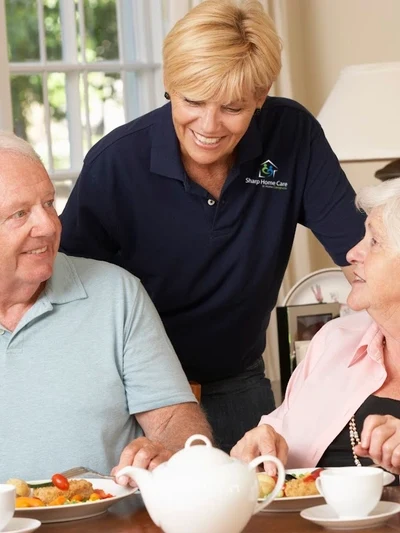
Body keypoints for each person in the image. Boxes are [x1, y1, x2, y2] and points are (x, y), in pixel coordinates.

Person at [59, 0, 365, 453]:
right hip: (137, 399)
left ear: (260, 98)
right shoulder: (115, 165)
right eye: (192, 101)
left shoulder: (293, 136)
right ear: (170, 84)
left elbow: (365, 258)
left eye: (233, 108)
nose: (208, 126)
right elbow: (68, 299)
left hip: (239, 383)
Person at [0, 131, 211, 483]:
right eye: (21, 213)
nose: (49, 226)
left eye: (50, 203)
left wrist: (171, 452)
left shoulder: (116, 293)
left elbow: (175, 421)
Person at [231, 178, 400, 476]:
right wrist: (260, 441)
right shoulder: (334, 340)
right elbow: (279, 428)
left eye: (373, 241)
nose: (351, 255)